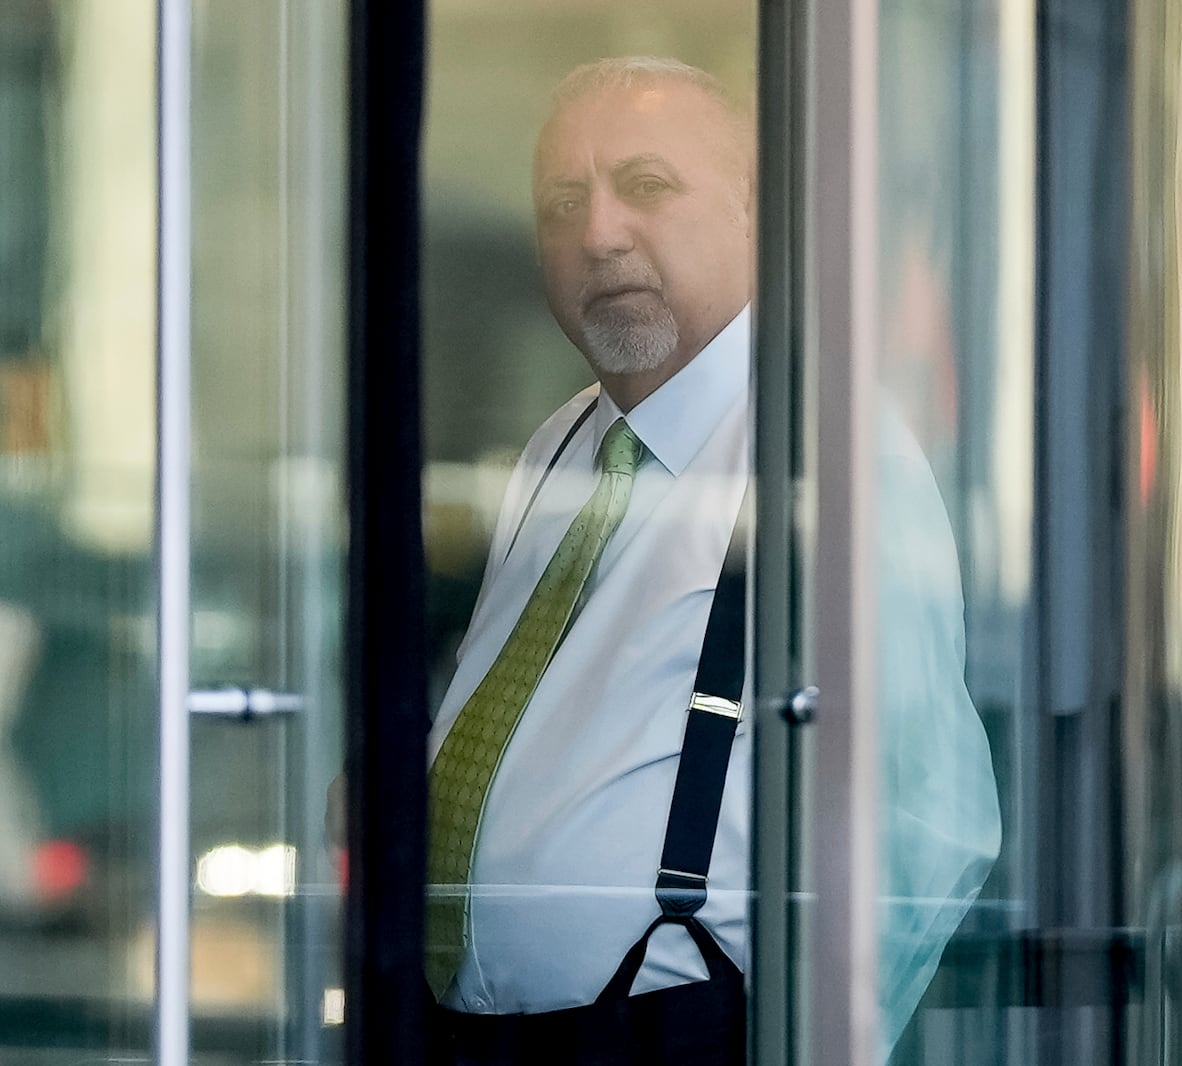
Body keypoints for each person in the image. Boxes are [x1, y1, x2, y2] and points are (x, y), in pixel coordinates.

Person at [424, 57, 1001, 1065]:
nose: (597, 231)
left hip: (677, 1034)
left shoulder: (826, 453)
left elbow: (930, 829)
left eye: (646, 186)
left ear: (754, 213)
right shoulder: (562, 442)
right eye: (564, 199)